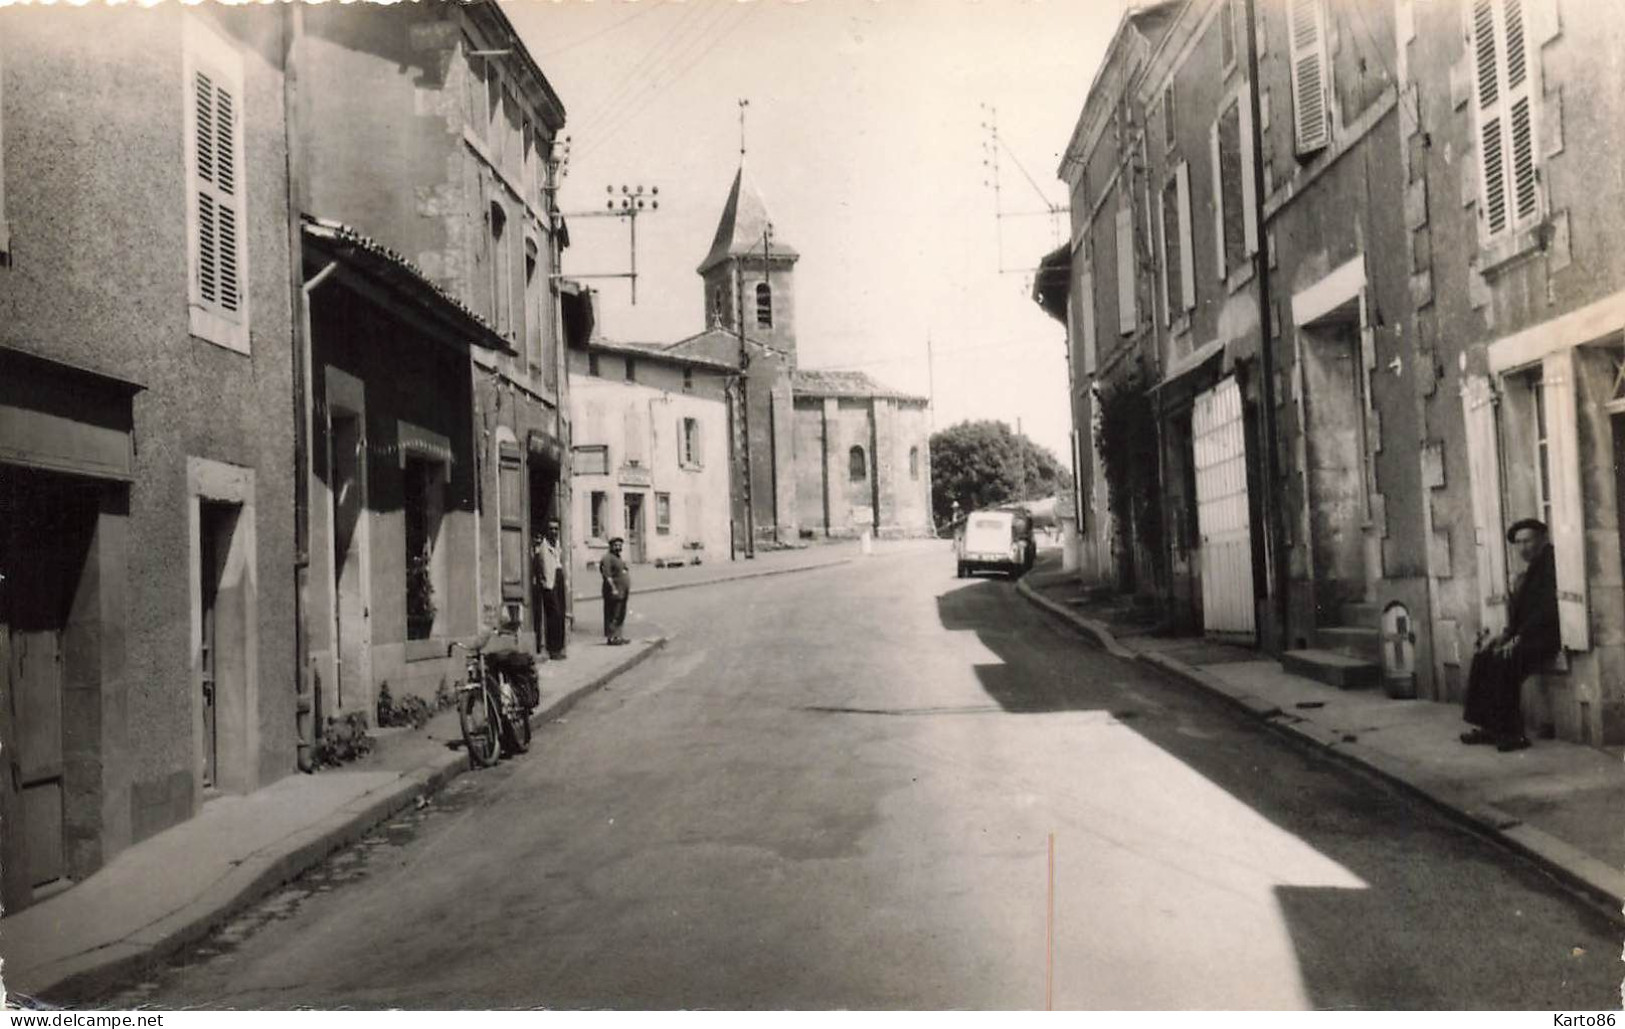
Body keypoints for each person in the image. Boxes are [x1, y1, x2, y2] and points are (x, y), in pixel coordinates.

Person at [1460, 517, 1560, 752]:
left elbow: (1546, 611)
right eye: (1519, 543)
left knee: (1505, 662)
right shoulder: (1530, 570)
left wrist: (1518, 639)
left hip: (1545, 637)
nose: (1523, 547)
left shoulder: (1551, 565)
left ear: (1542, 539)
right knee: (1484, 657)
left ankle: (1512, 733)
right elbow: (1519, 616)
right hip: (1526, 636)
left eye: (1528, 541)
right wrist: (1503, 637)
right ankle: (1489, 727)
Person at [533, 519, 567, 660]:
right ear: (547, 531)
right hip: (549, 583)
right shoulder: (542, 547)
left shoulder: (558, 545)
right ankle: (553, 649)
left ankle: (559, 647)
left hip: (559, 579)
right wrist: (546, 585)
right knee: (554, 615)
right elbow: (540, 568)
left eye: (556, 529)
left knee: (561, 615)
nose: (554, 532)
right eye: (551, 529)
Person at [600, 536, 631, 645]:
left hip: (622, 591)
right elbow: (607, 575)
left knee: (620, 614)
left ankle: (618, 636)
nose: (618, 547)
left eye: (620, 545)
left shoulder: (618, 557)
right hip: (613, 592)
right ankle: (611, 637)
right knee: (612, 614)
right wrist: (613, 588)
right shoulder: (608, 558)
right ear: (611, 546)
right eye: (615, 545)